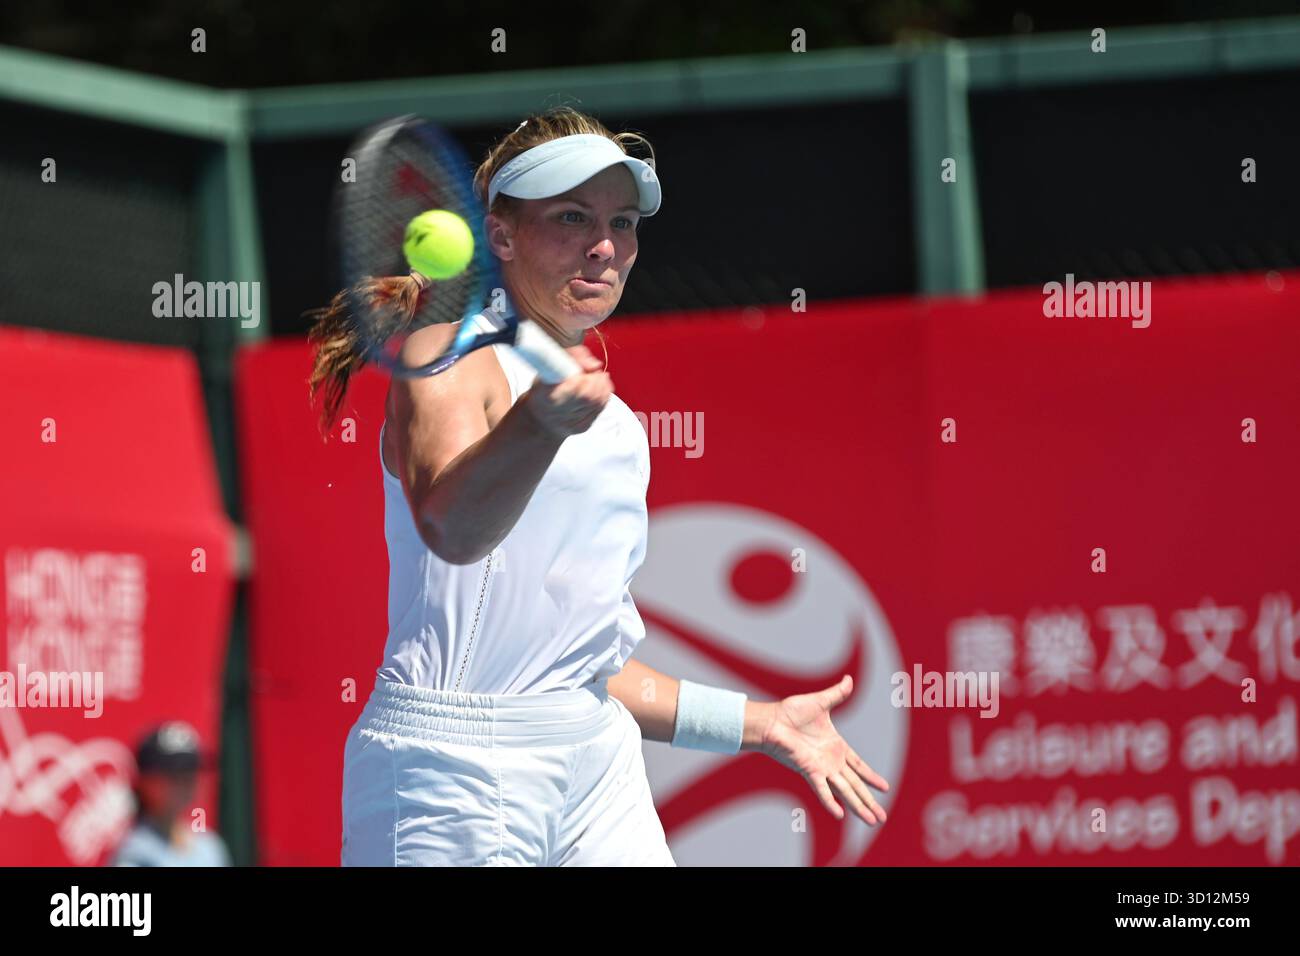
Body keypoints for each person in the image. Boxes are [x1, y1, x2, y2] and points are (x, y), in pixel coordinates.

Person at [308, 106, 890, 866]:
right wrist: (537, 428)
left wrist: (758, 722)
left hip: (594, 767)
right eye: (573, 217)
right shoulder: (449, 354)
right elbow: (451, 531)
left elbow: (587, 668)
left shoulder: (614, 426)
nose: (605, 246)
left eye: (622, 221)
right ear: (501, 235)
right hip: (446, 774)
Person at [109, 721, 231, 867]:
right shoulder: (133, 856)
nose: (186, 783)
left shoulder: (210, 846)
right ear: (145, 782)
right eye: (174, 774)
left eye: (191, 772)